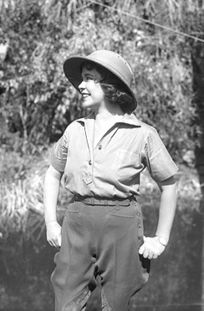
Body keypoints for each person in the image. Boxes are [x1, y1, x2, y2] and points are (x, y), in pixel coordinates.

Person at [43, 50, 178, 311]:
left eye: (88, 78)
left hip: (122, 225)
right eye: (81, 79)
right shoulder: (74, 130)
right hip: (77, 222)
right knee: (65, 302)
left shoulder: (143, 135)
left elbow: (169, 184)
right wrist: (51, 222)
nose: (80, 85)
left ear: (111, 86)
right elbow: (52, 173)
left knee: (116, 304)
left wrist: (160, 240)